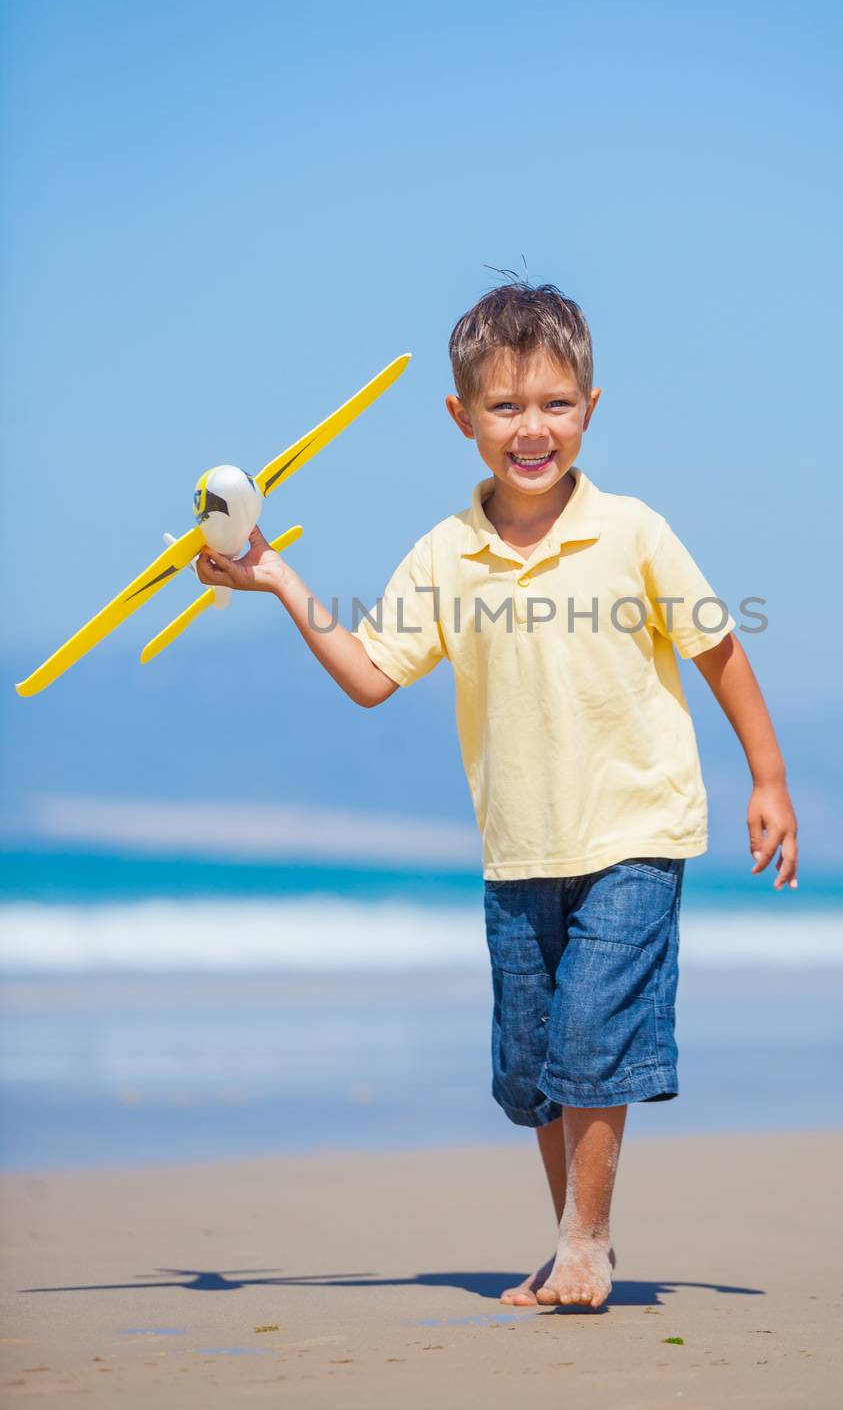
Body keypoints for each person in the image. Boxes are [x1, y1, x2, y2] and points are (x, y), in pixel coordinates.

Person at [195, 280, 799, 1310]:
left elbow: (718, 648)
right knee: (532, 1071)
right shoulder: (444, 554)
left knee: (591, 1041)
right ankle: (578, 1239)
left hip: (634, 831)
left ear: (591, 409)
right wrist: (285, 585)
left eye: (555, 404)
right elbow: (372, 675)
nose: (532, 429)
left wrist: (769, 777)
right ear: (462, 418)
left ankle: (585, 1244)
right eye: (507, 407)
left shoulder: (634, 533)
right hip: (518, 848)